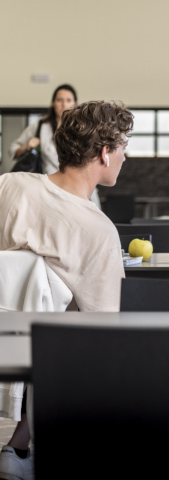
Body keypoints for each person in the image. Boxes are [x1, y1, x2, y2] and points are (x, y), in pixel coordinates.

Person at [0, 100, 133, 478]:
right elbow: (109, 327)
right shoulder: (97, 230)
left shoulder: (8, 185)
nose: (127, 158)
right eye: (124, 148)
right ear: (105, 153)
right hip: (47, 357)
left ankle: (19, 445)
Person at [8, 84, 100, 208]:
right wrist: (27, 147)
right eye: (59, 100)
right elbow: (12, 150)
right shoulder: (40, 126)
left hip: (79, 188)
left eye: (68, 100)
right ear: (53, 103)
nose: (64, 104)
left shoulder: (84, 129)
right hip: (50, 191)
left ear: (75, 103)